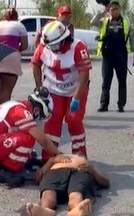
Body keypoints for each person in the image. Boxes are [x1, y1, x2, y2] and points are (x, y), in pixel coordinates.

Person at [32, 20, 92, 160]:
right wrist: (39, 87)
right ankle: (49, 156)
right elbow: (35, 64)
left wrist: (76, 99)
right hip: (52, 89)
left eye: (55, 45)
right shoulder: (44, 45)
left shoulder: (78, 47)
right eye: (50, 45)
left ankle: (80, 154)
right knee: (52, 120)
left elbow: (84, 74)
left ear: (64, 39)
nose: (52, 48)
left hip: (75, 88)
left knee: (74, 120)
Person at [26, 153, 110, 216]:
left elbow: (105, 182)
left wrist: (92, 170)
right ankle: (45, 210)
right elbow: (38, 176)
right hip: (55, 171)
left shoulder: (87, 163)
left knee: (76, 194)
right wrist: (51, 161)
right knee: (48, 194)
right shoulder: (55, 159)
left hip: (80, 172)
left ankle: (76, 211)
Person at [96, 1, 134, 113]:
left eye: (116, 9)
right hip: (108, 56)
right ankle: (104, 104)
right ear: (109, 10)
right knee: (106, 81)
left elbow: (133, 36)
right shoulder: (104, 21)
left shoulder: (126, 21)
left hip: (121, 55)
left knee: (122, 81)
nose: (114, 11)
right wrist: (102, 12)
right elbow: (93, 21)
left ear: (120, 9)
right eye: (112, 9)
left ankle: (121, 105)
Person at [0, 7, 29, 105]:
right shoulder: (20, 26)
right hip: (11, 58)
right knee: (7, 89)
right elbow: (25, 45)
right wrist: (16, 50)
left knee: (0, 88)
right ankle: (3, 113)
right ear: (16, 16)